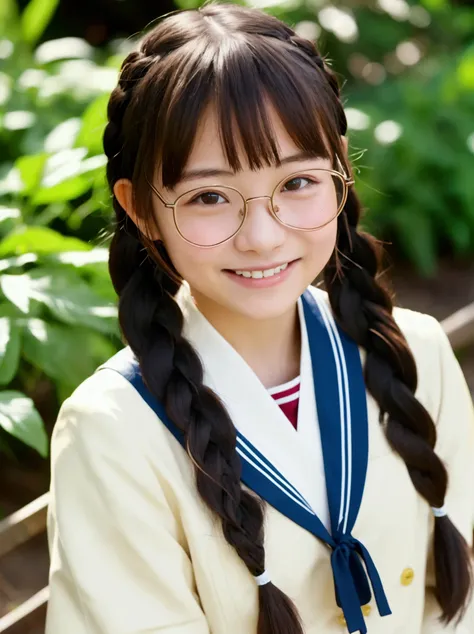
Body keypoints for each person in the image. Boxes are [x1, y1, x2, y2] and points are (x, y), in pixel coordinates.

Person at [45, 3, 474, 633]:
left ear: (340, 171)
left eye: (298, 182)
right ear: (140, 211)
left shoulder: (414, 350)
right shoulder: (113, 429)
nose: (263, 236)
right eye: (210, 197)